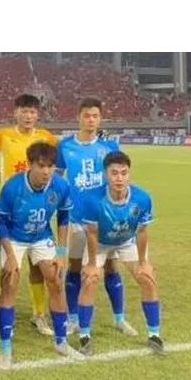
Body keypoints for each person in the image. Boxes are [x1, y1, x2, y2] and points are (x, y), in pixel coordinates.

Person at [0, 142, 84, 369]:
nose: (46, 172)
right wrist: (10, 256)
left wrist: (62, 254)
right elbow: (0, 222)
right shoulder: (12, 188)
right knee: (10, 281)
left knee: (56, 279)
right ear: (30, 165)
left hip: (41, 236)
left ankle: (61, 342)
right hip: (13, 238)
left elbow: (64, 218)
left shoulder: (60, 186)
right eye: (41, 166)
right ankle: (5, 348)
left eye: (50, 166)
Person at [57, 97, 136, 336]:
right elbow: (58, 178)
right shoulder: (64, 146)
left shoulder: (109, 147)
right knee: (74, 268)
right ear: (79, 117)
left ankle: (119, 318)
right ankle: (73, 318)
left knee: (112, 266)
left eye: (95, 116)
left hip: (104, 219)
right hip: (76, 218)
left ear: (100, 118)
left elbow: (120, 179)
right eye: (86, 115)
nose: (91, 120)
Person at [0, 94, 59, 336]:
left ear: (38, 114)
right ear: (16, 112)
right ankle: (7, 317)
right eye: (24, 111)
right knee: (10, 271)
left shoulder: (46, 137)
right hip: (11, 210)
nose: (28, 116)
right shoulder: (3, 135)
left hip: (36, 210)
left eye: (32, 111)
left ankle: (39, 314)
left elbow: (58, 160)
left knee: (39, 268)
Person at [75, 151, 165, 356]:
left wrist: (143, 262)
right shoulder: (92, 199)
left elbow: (142, 232)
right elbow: (92, 234)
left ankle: (154, 335)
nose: (119, 178)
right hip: (99, 243)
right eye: (114, 173)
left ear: (129, 174)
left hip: (126, 241)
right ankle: (84, 336)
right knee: (90, 279)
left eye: (124, 173)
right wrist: (91, 265)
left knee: (147, 278)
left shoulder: (142, 198)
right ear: (106, 174)